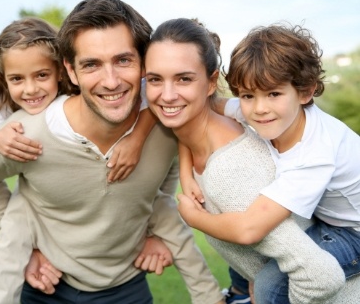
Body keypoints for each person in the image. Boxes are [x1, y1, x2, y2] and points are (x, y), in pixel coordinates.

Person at [0, 0, 224, 304]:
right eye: (91, 65)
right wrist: (26, 244)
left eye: (123, 60)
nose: (111, 81)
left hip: (126, 287)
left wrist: (155, 233)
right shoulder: (28, 133)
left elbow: (163, 175)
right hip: (46, 286)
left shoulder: (167, 124)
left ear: (144, 63)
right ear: (70, 72)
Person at [0, 16, 165, 303]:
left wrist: (137, 137)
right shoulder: (0, 109)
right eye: (17, 78)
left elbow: (151, 96)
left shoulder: (86, 94)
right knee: (9, 250)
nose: (30, 90)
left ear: (62, 70)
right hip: (34, 224)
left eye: (42, 75)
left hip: (119, 274)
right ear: (4, 78)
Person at [144, 17, 346, 304]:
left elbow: (320, 276)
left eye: (184, 78)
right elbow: (184, 122)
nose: (166, 94)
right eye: (154, 79)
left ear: (211, 82)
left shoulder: (232, 168)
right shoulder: (235, 114)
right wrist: (187, 173)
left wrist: (196, 219)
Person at [218, 23, 360, 303]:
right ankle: (238, 294)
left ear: (305, 92)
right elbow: (213, 105)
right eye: (247, 95)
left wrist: (194, 217)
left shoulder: (314, 154)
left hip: (353, 231)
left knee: (271, 286)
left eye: (273, 93)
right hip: (325, 213)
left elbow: (250, 229)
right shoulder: (268, 112)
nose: (259, 108)